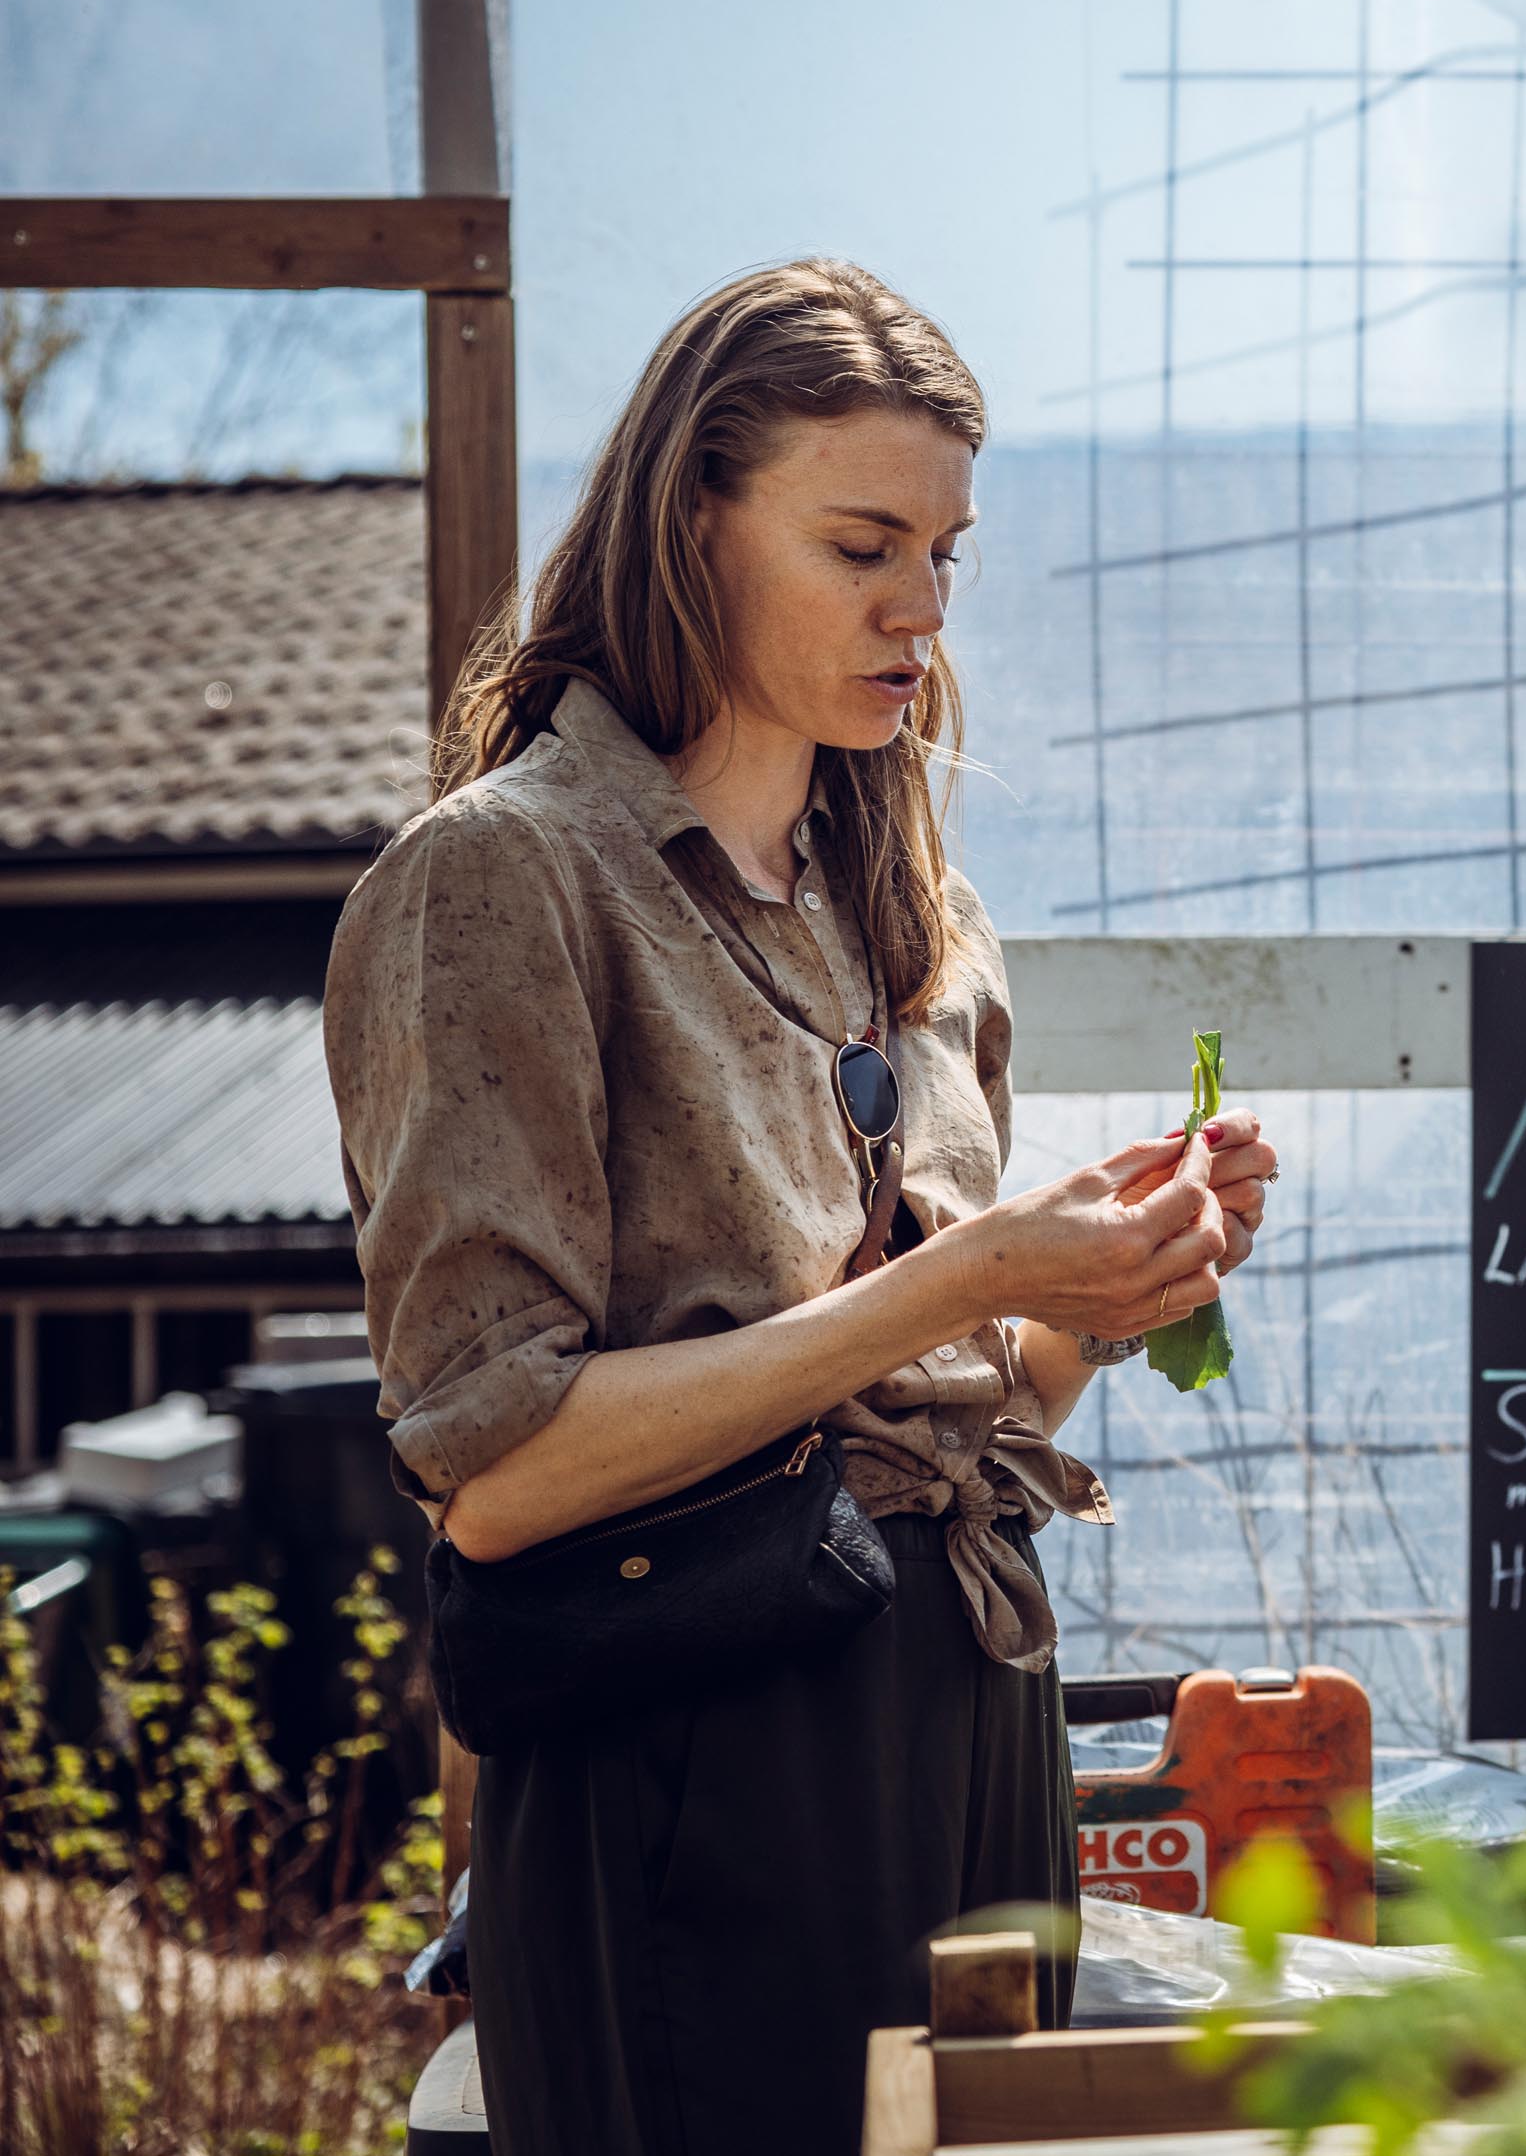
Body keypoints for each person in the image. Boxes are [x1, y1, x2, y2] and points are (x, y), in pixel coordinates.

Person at [325, 260, 1278, 2154]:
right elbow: (496, 1469)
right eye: (861, 545)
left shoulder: (914, 908)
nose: (920, 610)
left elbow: (962, 1423)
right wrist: (964, 1284)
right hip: (694, 1745)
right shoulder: (506, 882)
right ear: (695, 521)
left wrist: (1110, 1289)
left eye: (947, 553)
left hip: (976, 1705)